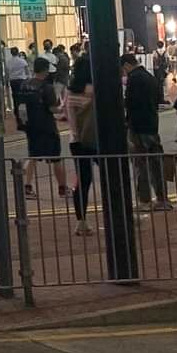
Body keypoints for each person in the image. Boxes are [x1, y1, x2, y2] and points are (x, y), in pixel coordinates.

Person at [122, 53, 168, 211]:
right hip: (152, 124)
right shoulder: (150, 77)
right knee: (156, 164)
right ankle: (162, 199)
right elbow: (158, 99)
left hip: (138, 126)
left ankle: (145, 200)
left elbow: (130, 103)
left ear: (126, 65)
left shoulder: (133, 79)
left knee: (140, 164)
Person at [18, 58, 66, 198]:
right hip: (47, 126)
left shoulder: (24, 85)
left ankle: (27, 187)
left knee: (33, 156)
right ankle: (62, 188)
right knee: (56, 158)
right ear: (45, 70)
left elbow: (20, 105)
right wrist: (62, 109)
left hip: (31, 126)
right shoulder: (47, 87)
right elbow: (52, 108)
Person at [67, 55, 99, 235]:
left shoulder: (70, 91)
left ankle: (81, 221)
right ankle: (120, 213)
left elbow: (70, 117)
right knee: (113, 175)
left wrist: (76, 134)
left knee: (83, 181)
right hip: (96, 139)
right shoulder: (94, 89)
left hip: (77, 141)